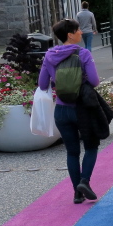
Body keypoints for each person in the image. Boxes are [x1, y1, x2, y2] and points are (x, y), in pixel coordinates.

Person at [38, 19, 103, 204]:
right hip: (82, 109)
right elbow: (95, 81)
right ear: (70, 35)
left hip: (61, 110)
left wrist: (57, 83)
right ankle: (84, 181)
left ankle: (77, 194)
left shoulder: (49, 55)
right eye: (78, 30)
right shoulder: (83, 53)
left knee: (72, 152)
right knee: (91, 147)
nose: (81, 32)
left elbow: (42, 84)